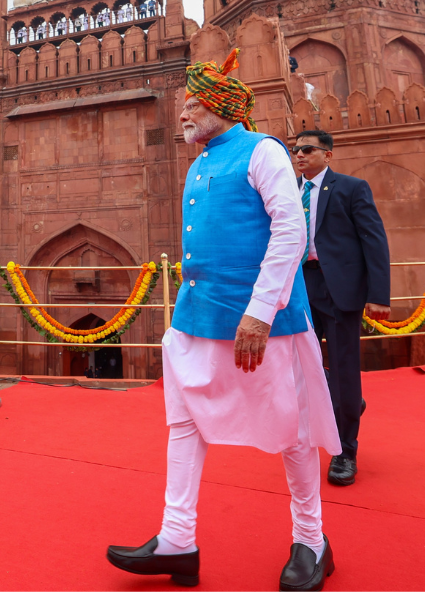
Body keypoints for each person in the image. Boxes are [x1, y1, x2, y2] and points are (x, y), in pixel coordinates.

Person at [105, 49, 341, 591]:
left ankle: (311, 540)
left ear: (223, 107)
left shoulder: (263, 152)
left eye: (193, 104)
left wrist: (259, 314)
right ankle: (177, 539)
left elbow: (290, 231)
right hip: (198, 319)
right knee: (184, 422)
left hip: (264, 323)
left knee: (293, 429)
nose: (183, 113)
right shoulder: (200, 162)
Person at [293, 129, 390, 486]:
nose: (299, 155)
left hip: (340, 289)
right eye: (295, 150)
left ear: (327, 155)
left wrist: (379, 294)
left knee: (345, 367)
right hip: (301, 286)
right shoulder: (290, 192)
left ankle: (345, 450)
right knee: (299, 360)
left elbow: (374, 240)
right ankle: (346, 399)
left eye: (307, 149)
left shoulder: (351, 188)